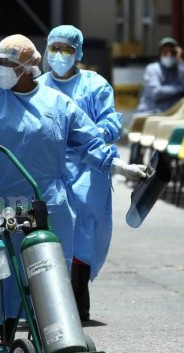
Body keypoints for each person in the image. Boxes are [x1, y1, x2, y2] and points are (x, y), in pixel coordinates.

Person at [0, 34, 146, 353]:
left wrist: (122, 167)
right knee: (7, 275)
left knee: (51, 273)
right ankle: (7, 340)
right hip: (5, 205)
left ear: (26, 68)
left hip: (50, 204)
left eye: (6, 64)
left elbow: (91, 144)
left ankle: (57, 337)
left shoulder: (58, 104)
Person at [38, 25, 122, 321]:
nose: (59, 55)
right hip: (50, 165)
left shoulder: (95, 85)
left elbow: (111, 122)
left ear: (79, 52)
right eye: (54, 48)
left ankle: (78, 299)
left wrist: (96, 133)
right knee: (48, 228)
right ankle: (47, 299)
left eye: (67, 49)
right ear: (46, 50)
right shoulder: (37, 86)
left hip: (89, 167)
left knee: (84, 230)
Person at [136, 37, 184, 114]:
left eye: (172, 52)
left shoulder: (180, 69)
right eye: (165, 52)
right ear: (160, 54)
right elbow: (157, 92)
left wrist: (180, 60)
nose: (169, 55)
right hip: (151, 112)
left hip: (173, 113)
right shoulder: (152, 69)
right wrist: (181, 88)